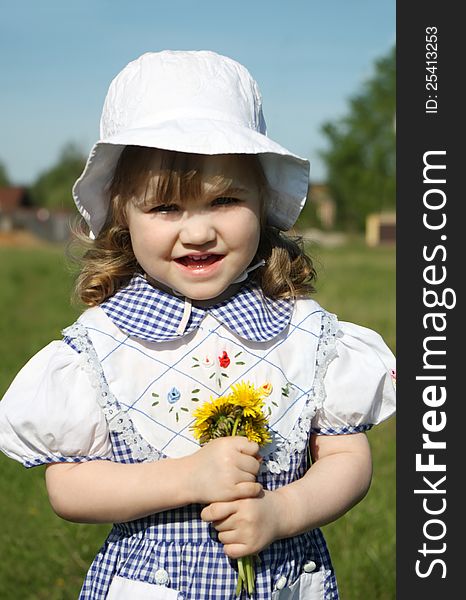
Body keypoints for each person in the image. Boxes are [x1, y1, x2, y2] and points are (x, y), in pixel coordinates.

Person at [0, 50, 396, 599]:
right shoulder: (104, 347)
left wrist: (282, 512)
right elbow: (68, 488)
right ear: (122, 214)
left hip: (282, 579)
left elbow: (349, 459)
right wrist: (187, 477)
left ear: (264, 203)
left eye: (226, 200)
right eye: (165, 208)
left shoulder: (305, 335)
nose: (199, 231)